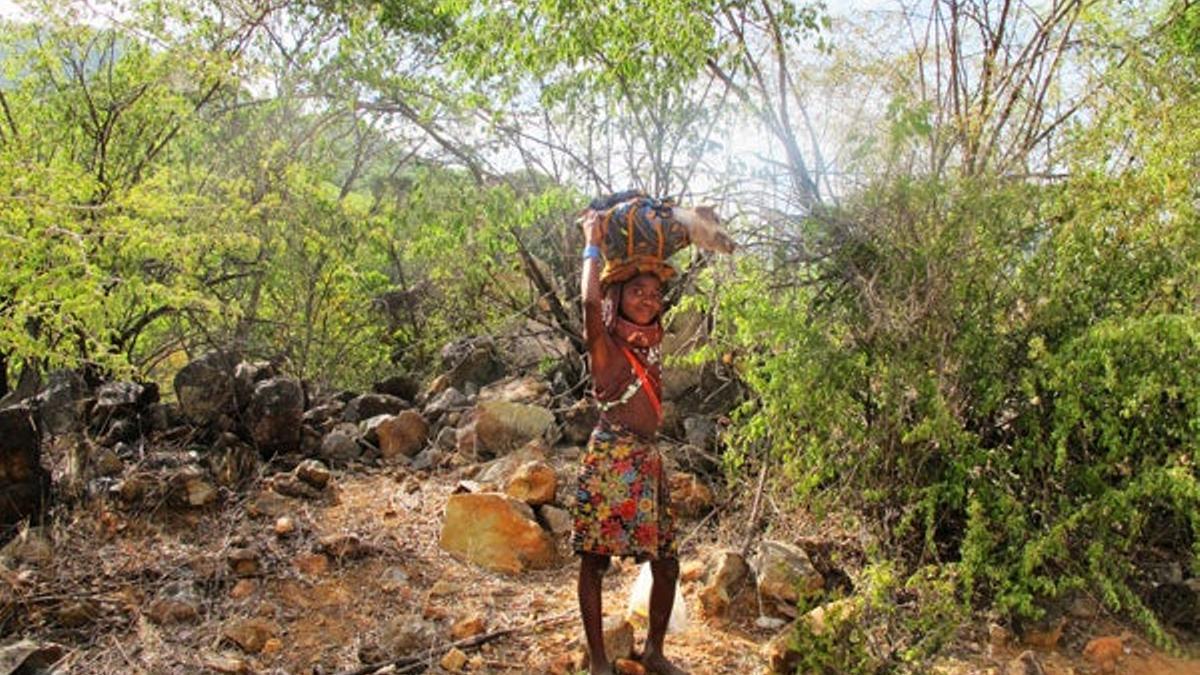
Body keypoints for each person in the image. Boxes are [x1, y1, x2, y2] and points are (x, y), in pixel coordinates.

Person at [572, 209, 687, 675]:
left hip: (647, 462)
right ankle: (599, 660)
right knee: (595, 563)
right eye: (636, 291)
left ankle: (654, 652)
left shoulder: (651, 344)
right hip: (612, 458)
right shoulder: (606, 346)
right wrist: (593, 243)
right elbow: (586, 304)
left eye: (655, 293)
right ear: (615, 297)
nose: (647, 299)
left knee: (668, 564)